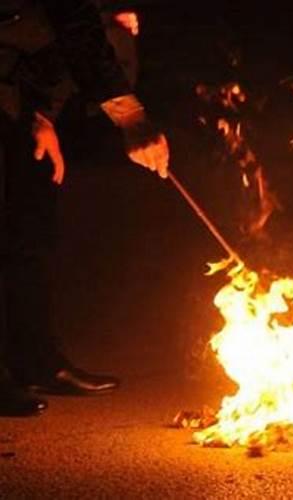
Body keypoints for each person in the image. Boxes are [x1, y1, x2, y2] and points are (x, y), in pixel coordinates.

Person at [1, 0, 168, 416]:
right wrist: (131, 118)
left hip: (16, 85)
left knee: (30, 218)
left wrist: (40, 116)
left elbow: (61, 39)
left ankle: (37, 361)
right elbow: (76, 30)